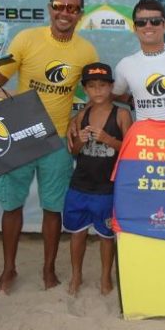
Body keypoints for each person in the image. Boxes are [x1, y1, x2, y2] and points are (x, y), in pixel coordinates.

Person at [0, 0, 99, 294]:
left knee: (52, 209)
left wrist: (77, 118)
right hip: (20, 132)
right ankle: (9, 270)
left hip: (56, 140)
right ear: (50, 7)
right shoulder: (26, 39)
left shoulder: (86, 51)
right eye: (60, 5)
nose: (65, 13)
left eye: (72, 8)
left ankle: (48, 270)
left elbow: (93, 95)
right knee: (12, 206)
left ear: (80, 15)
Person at [64, 62, 132, 296]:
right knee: (77, 233)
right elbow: (73, 151)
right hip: (80, 185)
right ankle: (76, 275)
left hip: (108, 187)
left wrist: (107, 138)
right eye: (92, 86)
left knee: (106, 236)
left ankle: (105, 277)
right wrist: (81, 139)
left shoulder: (122, 114)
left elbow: (129, 151)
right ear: (85, 89)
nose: (98, 91)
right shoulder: (81, 115)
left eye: (103, 86)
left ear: (111, 87)